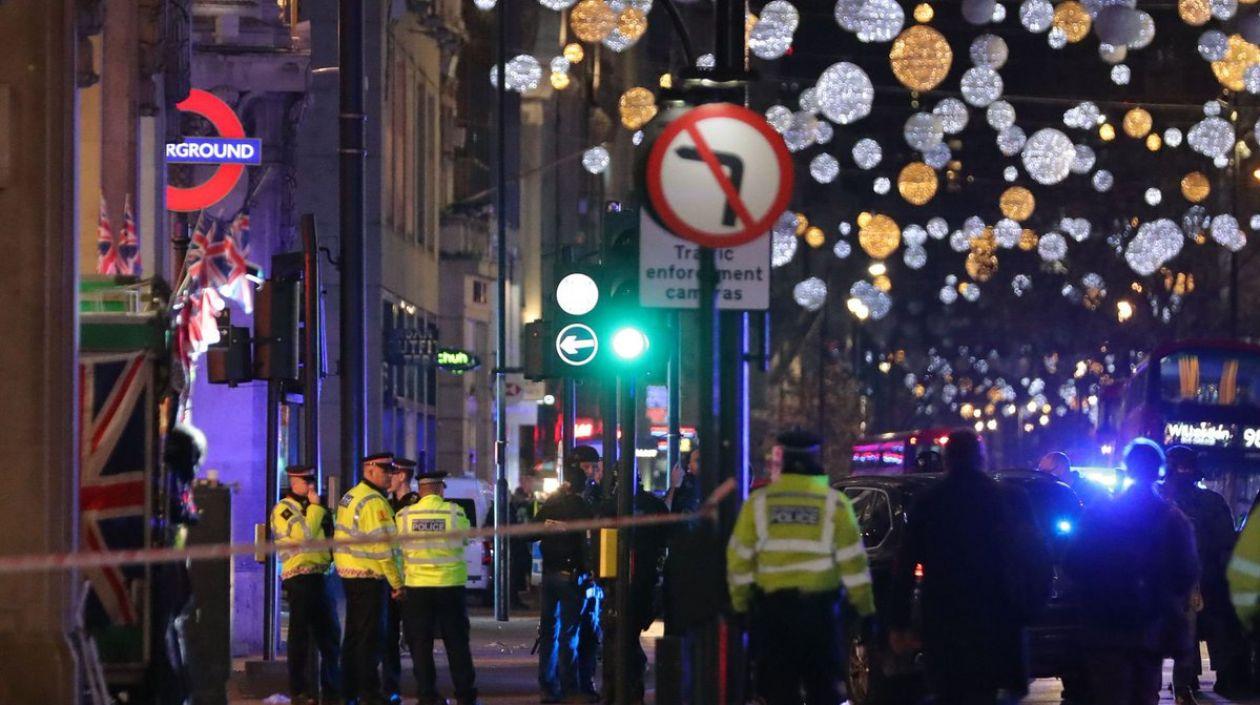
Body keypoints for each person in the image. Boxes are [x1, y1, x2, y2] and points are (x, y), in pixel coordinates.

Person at [888, 430, 1052, 705]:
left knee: (950, 693)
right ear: (982, 458)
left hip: (944, 623)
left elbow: (904, 566)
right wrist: (1030, 608)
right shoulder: (1010, 499)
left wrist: (898, 624)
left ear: (947, 460)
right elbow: (1036, 558)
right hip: (998, 621)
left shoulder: (929, 502)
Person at [727, 428, 876, 705]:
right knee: (823, 692)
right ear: (816, 462)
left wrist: (741, 608)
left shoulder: (759, 504)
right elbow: (855, 566)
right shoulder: (835, 504)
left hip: (773, 617)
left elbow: (739, 562)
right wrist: (866, 613)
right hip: (820, 618)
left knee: (779, 692)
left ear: (780, 463)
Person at [1065, 439, 1199, 705]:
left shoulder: (1100, 514)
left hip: (1106, 626)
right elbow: (1186, 572)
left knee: (1110, 694)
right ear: (1159, 471)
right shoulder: (1172, 519)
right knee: (1144, 694)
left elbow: (1074, 562)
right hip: (1149, 628)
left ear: (1127, 468)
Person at [1163, 446, 1249, 699]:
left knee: (1186, 632)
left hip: (1181, 579)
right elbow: (1226, 543)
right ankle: (1223, 678)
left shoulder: (1163, 501)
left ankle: (1187, 681)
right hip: (1209, 576)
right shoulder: (1212, 501)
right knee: (1217, 631)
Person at [396, 470, 481, 705]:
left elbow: (398, 549)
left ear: (420, 490)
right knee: (457, 643)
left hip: (417, 588)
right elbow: (465, 540)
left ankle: (427, 694)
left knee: (420, 644)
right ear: (440, 488)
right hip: (449, 587)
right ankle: (465, 695)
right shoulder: (454, 513)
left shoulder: (404, 516)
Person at [333, 452, 406, 705]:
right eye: (386, 471)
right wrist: (397, 584)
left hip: (349, 574)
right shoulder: (375, 503)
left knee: (353, 637)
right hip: (368, 576)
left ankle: (347, 692)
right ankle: (370, 693)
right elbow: (384, 550)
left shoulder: (350, 496)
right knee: (369, 639)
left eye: (391, 471)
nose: (390, 476)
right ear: (370, 470)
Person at [272, 465, 342, 705]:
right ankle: (299, 691)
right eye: (306, 482)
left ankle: (331, 690)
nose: (311, 486)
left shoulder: (316, 509)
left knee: (331, 636)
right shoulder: (283, 509)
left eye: (312, 482)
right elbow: (304, 535)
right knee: (299, 638)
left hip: (321, 577)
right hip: (298, 578)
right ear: (293, 483)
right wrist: (315, 508)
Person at [601, 473, 671, 704]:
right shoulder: (654, 505)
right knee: (629, 636)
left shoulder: (610, 507)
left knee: (618, 638)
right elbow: (666, 540)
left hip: (616, 583)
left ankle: (618, 689)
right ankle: (631, 688)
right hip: (645, 582)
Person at [534, 460, 598, 703]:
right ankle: (569, 687)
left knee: (549, 632)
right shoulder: (583, 508)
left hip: (549, 575)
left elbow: (530, 533)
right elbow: (588, 542)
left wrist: (548, 526)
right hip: (571, 577)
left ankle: (547, 686)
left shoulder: (551, 505)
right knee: (569, 633)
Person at [382, 458, 420, 705]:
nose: (388, 479)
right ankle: (391, 688)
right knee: (388, 637)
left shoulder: (416, 505)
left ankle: (423, 687)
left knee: (417, 637)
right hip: (391, 581)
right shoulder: (385, 504)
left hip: (413, 579)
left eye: (392, 474)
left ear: (402, 477)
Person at [1038, 451, 1110, 507]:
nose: (1042, 476)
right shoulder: (1046, 491)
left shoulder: (1091, 489)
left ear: (1061, 468)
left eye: (1045, 472)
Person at [510, 474, 539, 609]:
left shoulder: (529, 498)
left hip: (525, 542)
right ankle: (516, 599)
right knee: (519, 571)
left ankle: (526, 597)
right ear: (523, 482)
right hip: (519, 542)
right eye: (529, 482)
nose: (532, 484)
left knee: (528, 570)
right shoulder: (520, 500)